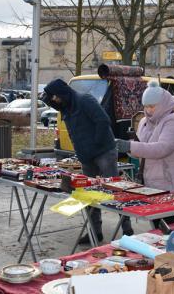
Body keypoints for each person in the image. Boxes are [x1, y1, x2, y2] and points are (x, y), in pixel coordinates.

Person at [42, 79, 133, 243]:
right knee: (89, 194)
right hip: (86, 156)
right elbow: (52, 103)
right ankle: (95, 232)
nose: (54, 100)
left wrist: (96, 143)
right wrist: (47, 96)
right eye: (52, 98)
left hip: (103, 151)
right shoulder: (66, 106)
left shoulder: (84, 100)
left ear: (62, 94)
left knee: (114, 189)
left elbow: (103, 121)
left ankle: (127, 229)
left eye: (55, 96)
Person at [116, 81, 174, 226]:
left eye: (152, 106)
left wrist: (130, 146)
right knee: (158, 231)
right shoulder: (144, 123)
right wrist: (129, 149)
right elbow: (142, 153)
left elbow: (161, 149)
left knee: (171, 230)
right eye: (146, 106)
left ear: (163, 104)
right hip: (152, 187)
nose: (148, 110)